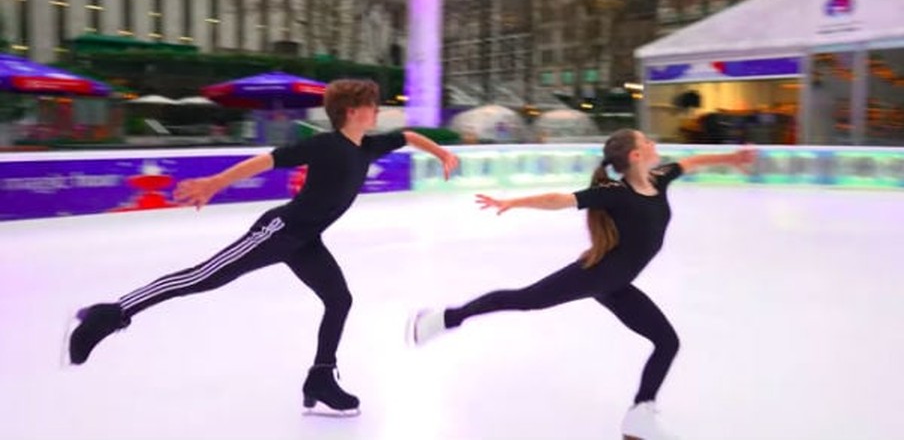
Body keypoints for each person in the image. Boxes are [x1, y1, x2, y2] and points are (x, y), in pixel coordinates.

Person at [67, 79, 459, 416]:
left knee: (339, 300)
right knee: (202, 277)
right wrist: (214, 183)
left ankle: (321, 377)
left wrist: (442, 152)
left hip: (306, 241)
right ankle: (109, 314)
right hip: (278, 230)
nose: (377, 111)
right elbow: (267, 161)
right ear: (353, 111)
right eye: (371, 106)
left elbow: (408, 136)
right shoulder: (325, 145)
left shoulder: (366, 147)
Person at [408, 129, 755, 439]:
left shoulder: (660, 177)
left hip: (617, 284)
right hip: (597, 275)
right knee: (526, 299)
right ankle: (441, 320)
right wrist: (512, 202)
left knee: (667, 341)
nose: (653, 143)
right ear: (636, 155)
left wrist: (731, 159)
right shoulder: (616, 193)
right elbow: (559, 200)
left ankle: (640, 415)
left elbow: (692, 161)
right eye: (646, 141)